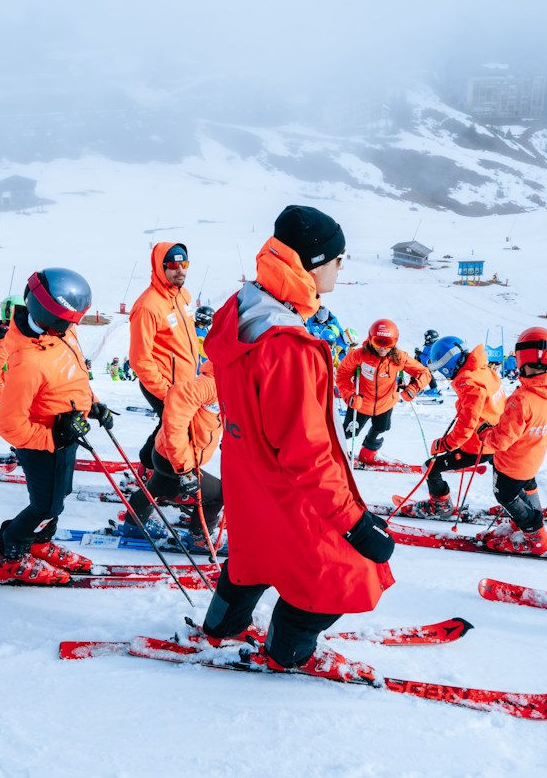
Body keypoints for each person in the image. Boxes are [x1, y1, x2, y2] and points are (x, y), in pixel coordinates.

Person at [200, 204, 394, 675]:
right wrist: (355, 524)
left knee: (255, 553)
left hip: (249, 477)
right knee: (346, 571)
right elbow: (307, 454)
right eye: (337, 258)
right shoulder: (287, 345)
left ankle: (221, 626)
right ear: (312, 262)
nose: (341, 267)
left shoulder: (242, 309)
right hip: (288, 489)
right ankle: (288, 651)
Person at [0, 268, 115, 583]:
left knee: (60, 496)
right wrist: (53, 437)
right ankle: (8, 557)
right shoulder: (28, 363)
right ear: (51, 317)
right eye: (69, 319)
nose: (74, 325)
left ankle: (40, 544)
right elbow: (10, 426)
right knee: (43, 506)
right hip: (42, 444)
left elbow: (75, 375)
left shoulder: (62, 334)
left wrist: (91, 403)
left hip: (67, 431)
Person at [476, 327, 547, 554]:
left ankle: (535, 534)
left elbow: (501, 441)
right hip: (532, 461)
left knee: (505, 495)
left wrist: (483, 432)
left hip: (510, 465)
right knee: (526, 486)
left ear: (522, 359)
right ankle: (524, 524)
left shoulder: (522, 400)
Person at [125, 360, 224, 549]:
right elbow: (179, 398)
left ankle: (133, 525)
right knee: (219, 494)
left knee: (157, 486)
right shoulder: (213, 382)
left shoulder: (227, 382)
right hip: (176, 459)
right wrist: (184, 469)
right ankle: (198, 538)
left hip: (166, 454)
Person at [413, 337, 506, 516]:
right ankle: (519, 506)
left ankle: (440, 505)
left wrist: (446, 444)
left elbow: (467, 424)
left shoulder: (469, 383)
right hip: (496, 439)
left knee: (429, 468)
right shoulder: (485, 371)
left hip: (477, 447)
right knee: (507, 476)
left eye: (444, 371)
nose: (446, 376)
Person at [129, 242, 199, 473]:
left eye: (184, 264)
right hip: (163, 384)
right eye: (172, 265)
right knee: (177, 431)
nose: (180, 270)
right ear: (161, 268)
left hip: (184, 383)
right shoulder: (148, 306)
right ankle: (158, 473)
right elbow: (139, 358)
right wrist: (165, 390)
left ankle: (146, 467)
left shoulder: (183, 295)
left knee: (167, 427)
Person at [336, 319, 432, 465]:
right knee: (348, 432)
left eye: (388, 343)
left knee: (381, 429)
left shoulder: (399, 358)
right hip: (360, 404)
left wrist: (414, 387)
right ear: (370, 339)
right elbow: (342, 375)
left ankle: (368, 454)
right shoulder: (359, 355)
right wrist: (349, 395)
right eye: (377, 341)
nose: (382, 347)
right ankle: (335, 452)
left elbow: (424, 373)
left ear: (394, 343)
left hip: (385, 404)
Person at [194, 305, 214, 373]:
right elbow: (205, 353)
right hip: (200, 369)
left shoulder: (202, 329)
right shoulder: (197, 334)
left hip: (204, 365)